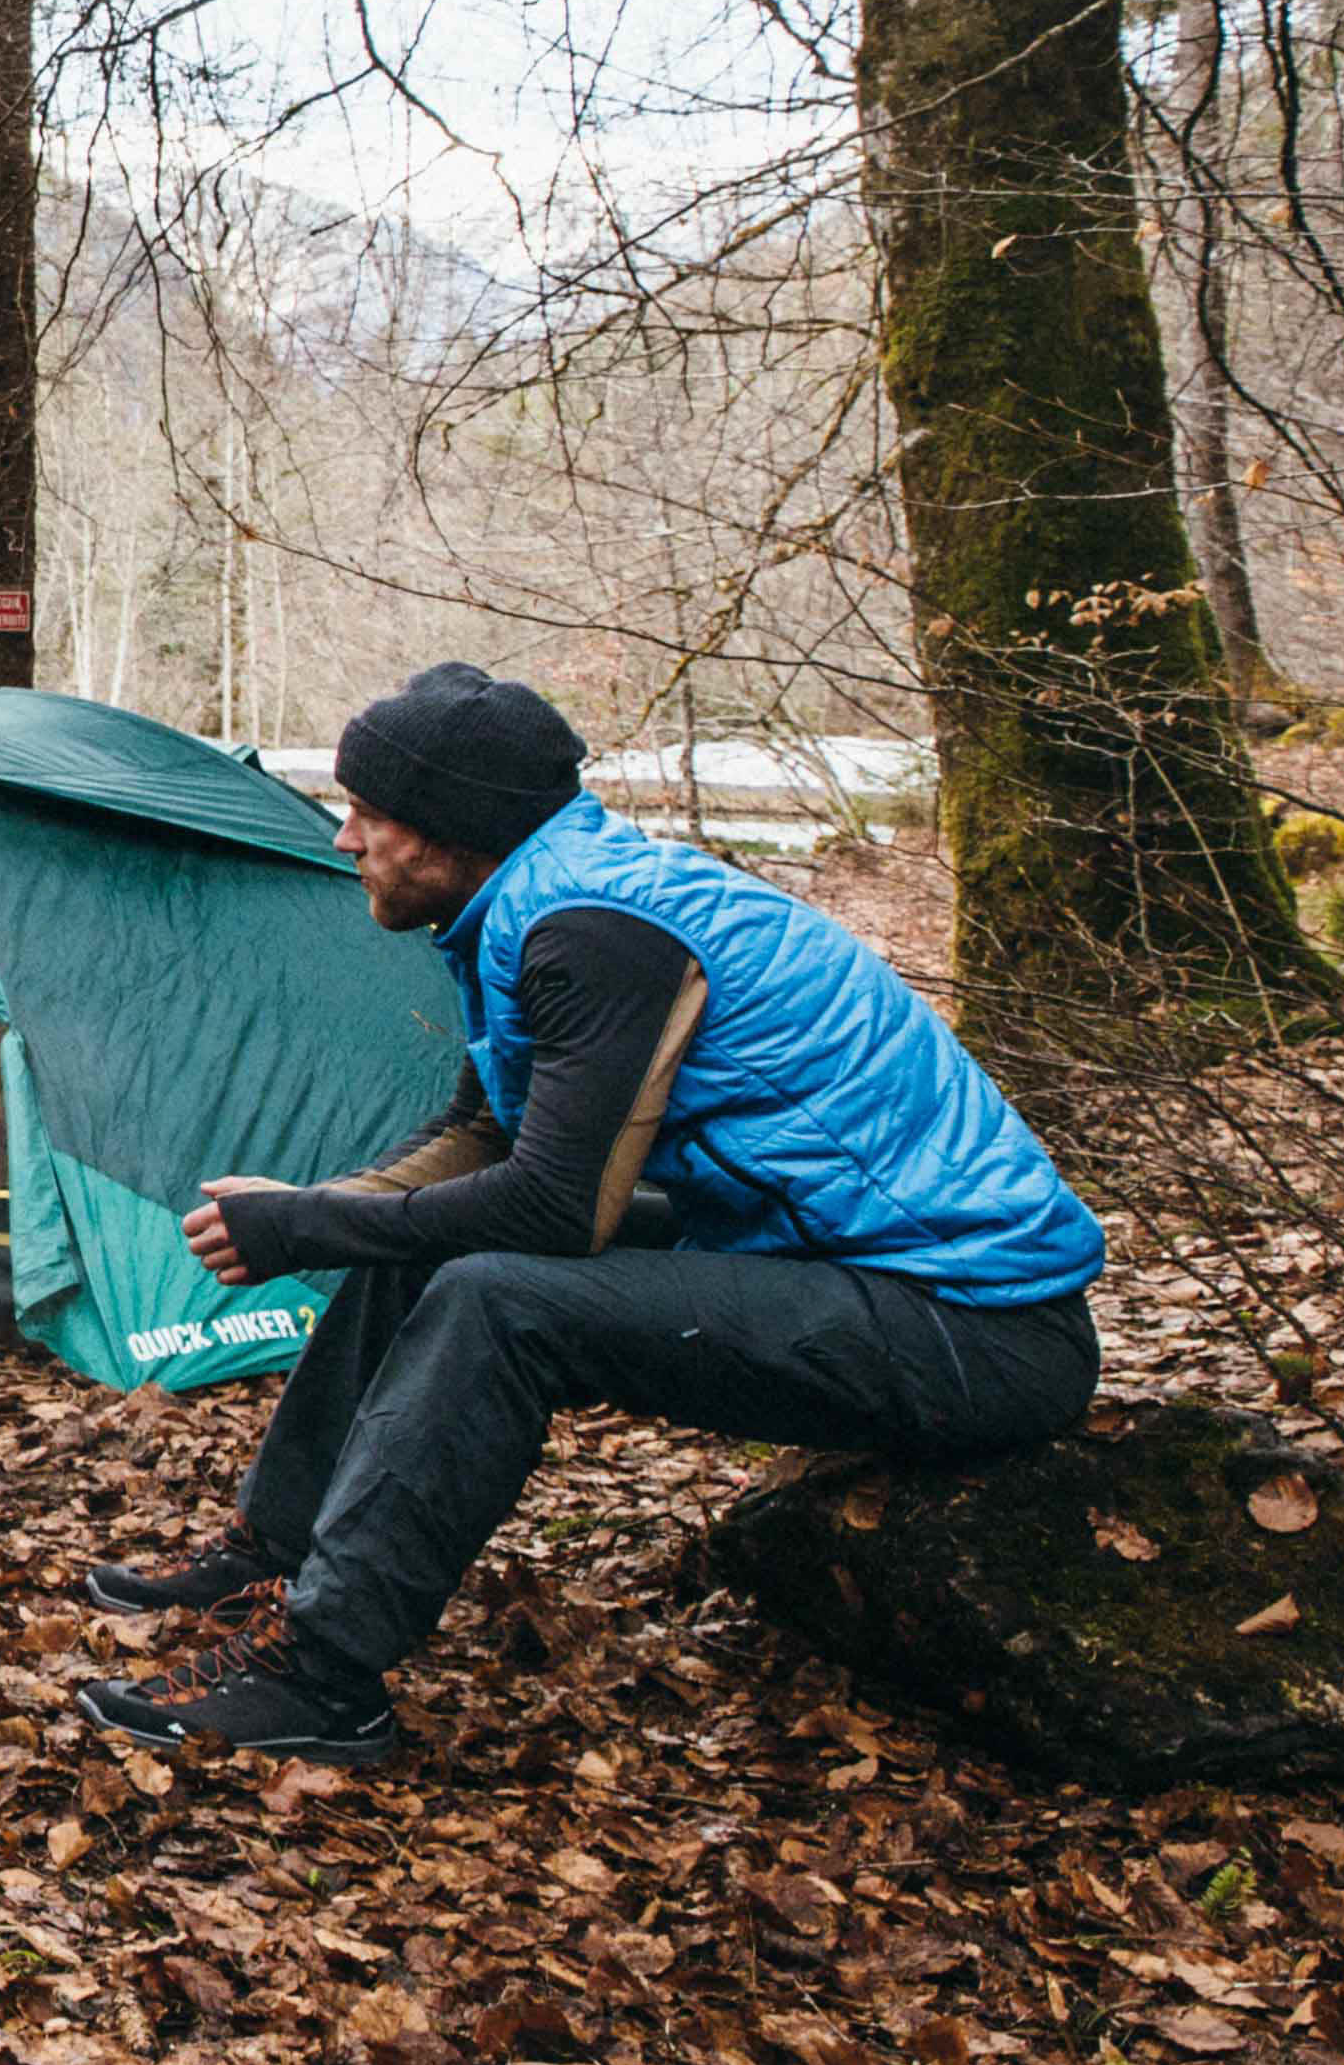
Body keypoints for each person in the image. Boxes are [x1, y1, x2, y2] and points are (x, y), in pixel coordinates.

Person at [71, 664, 1110, 1768]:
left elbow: (555, 1206)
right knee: (435, 1238)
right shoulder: (540, 901)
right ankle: (277, 1551)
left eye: (368, 815)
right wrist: (313, 1209)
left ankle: (324, 1680)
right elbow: (486, 1141)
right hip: (862, 1277)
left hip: (976, 1328)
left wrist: (310, 1230)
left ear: (451, 829)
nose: (343, 841)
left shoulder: (593, 931)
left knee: (498, 1296)